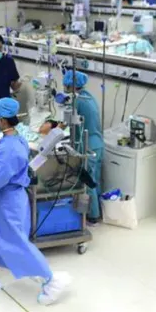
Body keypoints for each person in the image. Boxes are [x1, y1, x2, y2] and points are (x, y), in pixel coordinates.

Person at [0, 98, 70, 305]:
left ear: (2, 121)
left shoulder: (9, 147)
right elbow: (5, 166)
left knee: (15, 242)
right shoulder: (16, 139)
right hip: (3, 201)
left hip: (5, 202)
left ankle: (51, 280)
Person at [63, 70, 104, 222]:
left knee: (88, 181)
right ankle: (98, 210)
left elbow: (68, 122)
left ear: (71, 85)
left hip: (88, 146)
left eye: (66, 84)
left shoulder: (77, 101)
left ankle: (92, 216)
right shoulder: (89, 97)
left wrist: (55, 128)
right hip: (98, 143)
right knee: (95, 179)